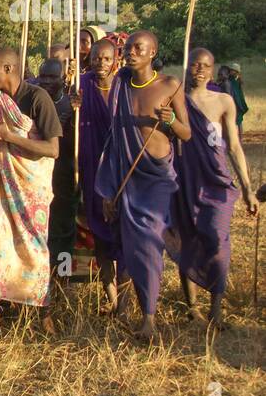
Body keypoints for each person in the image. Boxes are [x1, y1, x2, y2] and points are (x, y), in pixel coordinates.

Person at [95, 31, 191, 341]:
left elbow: (186, 133)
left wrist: (171, 120)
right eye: (129, 47)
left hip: (156, 178)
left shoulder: (169, 85)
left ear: (153, 53)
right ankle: (123, 309)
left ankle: (148, 318)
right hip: (126, 175)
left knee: (149, 243)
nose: (131, 52)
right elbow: (112, 136)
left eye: (139, 48)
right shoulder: (122, 81)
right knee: (127, 244)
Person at [0, 48, 61, 339]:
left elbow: (53, 149)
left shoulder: (37, 98)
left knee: (34, 247)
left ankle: (45, 314)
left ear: (8, 69)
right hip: (0, 183)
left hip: (32, 186)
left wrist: (10, 137)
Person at [169, 49, 259, 326]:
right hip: (183, 178)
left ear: (212, 70)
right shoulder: (175, 99)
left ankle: (216, 307)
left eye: (205, 66)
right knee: (187, 239)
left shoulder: (224, 101)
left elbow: (233, 146)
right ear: (186, 67)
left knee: (218, 241)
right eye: (194, 64)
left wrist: (247, 188)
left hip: (216, 180)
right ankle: (192, 307)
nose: (199, 70)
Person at [74, 39, 121, 310]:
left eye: (105, 58)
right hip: (91, 167)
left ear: (114, 60)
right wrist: (73, 106)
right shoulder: (82, 85)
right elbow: (69, 123)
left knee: (123, 232)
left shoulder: (123, 87)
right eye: (95, 58)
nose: (100, 63)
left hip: (119, 168)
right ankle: (111, 296)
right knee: (100, 234)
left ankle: (126, 296)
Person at [37, 59, 77, 289]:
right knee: (43, 232)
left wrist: (70, 121)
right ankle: (42, 280)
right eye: (43, 76)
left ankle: (63, 279)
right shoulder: (35, 100)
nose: (46, 82)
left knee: (63, 234)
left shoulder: (70, 105)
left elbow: (71, 143)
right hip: (39, 176)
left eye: (52, 77)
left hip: (63, 176)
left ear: (63, 79)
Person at [220, 62, 249, 129]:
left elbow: (239, 94)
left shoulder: (237, 81)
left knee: (239, 122)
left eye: (232, 70)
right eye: (230, 70)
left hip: (237, 104)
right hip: (233, 103)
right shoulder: (229, 80)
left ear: (236, 72)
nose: (230, 71)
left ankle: (240, 138)